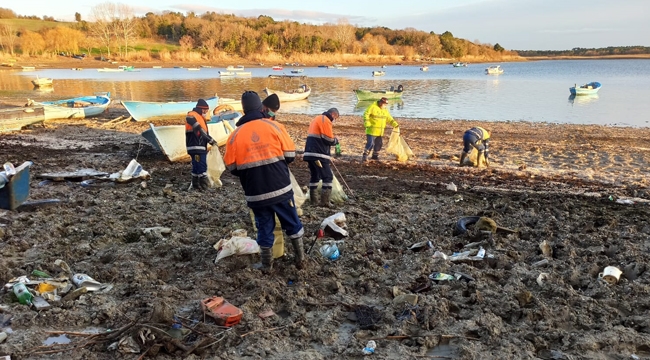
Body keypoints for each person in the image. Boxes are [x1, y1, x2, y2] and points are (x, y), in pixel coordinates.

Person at [224, 91, 305, 270]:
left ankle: (267, 265)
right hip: (281, 189)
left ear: (244, 110)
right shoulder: (275, 127)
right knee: (292, 224)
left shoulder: (235, 136)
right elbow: (290, 155)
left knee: (264, 227)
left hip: (255, 194)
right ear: (261, 107)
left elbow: (232, 168)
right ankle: (301, 260)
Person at [303, 108, 339, 206]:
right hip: (319, 153)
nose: (334, 120)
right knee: (327, 177)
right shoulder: (325, 120)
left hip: (309, 153)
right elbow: (328, 139)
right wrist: (336, 140)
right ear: (333, 114)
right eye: (336, 117)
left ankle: (314, 201)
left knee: (315, 176)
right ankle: (325, 202)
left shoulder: (317, 119)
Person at [185, 99, 216, 190]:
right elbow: (198, 129)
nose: (206, 113)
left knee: (196, 165)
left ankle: (195, 184)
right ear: (201, 109)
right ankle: (204, 185)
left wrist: (210, 140)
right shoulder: (192, 115)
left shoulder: (199, 117)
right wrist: (210, 140)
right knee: (201, 164)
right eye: (205, 111)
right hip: (196, 147)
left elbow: (202, 132)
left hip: (197, 147)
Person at [362, 97, 399, 162]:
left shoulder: (385, 110)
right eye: (384, 104)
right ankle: (365, 156)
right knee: (370, 144)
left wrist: (395, 124)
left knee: (379, 144)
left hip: (380, 132)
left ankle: (375, 156)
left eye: (386, 105)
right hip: (371, 130)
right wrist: (367, 122)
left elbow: (389, 118)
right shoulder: (372, 107)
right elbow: (366, 114)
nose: (385, 106)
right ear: (381, 102)